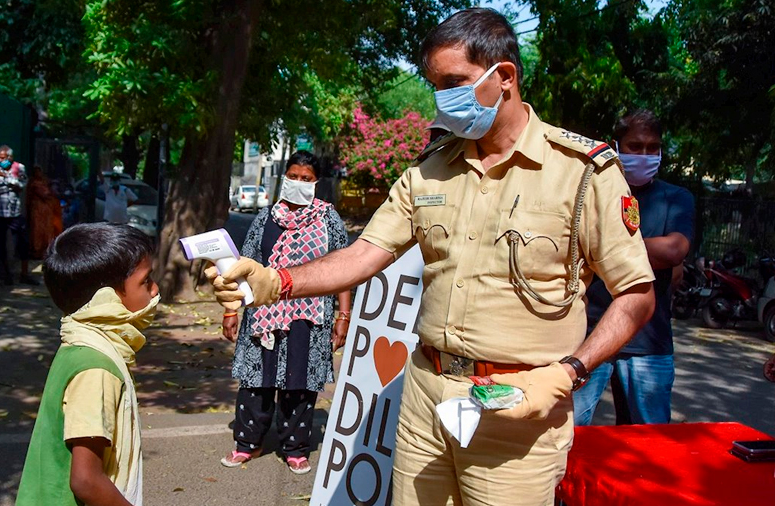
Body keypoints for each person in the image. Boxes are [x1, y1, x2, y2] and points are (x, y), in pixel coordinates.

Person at [207, 8, 656, 505]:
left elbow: (636, 295)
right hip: (425, 397)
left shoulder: (582, 172)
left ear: (504, 76)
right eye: (435, 85)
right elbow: (362, 254)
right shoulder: (430, 171)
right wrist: (275, 281)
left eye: (454, 82)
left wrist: (570, 370)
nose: (442, 99)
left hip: (519, 410)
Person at [219, 151, 351, 475]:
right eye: (293, 176)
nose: (298, 183)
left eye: (306, 179)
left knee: (300, 382)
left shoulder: (328, 219)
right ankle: (247, 443)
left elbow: (344, 269)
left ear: (316, 183)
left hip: (310, 318)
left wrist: (343, 315)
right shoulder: (266, 218)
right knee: (256, 382)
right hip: (263, 314)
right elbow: (243, 266)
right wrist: (230, 310)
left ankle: (295, 447)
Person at [15, 223, 159, 506]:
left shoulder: (79, 343)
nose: (155, 290)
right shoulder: (96, 368)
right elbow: (85, 480)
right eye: (146, 281)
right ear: (106, 300)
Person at [574, 110, 694, 426]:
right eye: (635, 146)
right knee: (571, 433)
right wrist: (648, 248)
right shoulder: (595, 192)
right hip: (592, 335)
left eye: (651, 148)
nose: (643, 154)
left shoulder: (676, 198)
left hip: (650, 341)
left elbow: (675, 250)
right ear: (617, 146)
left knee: (650, 438)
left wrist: (602, 244)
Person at [0, 145, 38, 285]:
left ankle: (24, 274)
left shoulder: (19, 168)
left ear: (10, 157)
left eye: (3, 158)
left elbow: (22, 185)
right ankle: (6, 274)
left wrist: (6, 178)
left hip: (15, 212)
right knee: (0, 244)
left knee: (23, 242)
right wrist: (12, 184)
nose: (0, 161)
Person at [25, 165, 63, 259]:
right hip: (37, 211)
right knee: (37, 231)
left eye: (40, 171)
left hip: (47, 212)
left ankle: (47, 250)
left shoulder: (46, 182)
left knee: (48, 230)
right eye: (36, 171)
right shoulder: (34, 183)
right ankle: (37, 252)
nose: (39, 173)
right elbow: (44, 195)